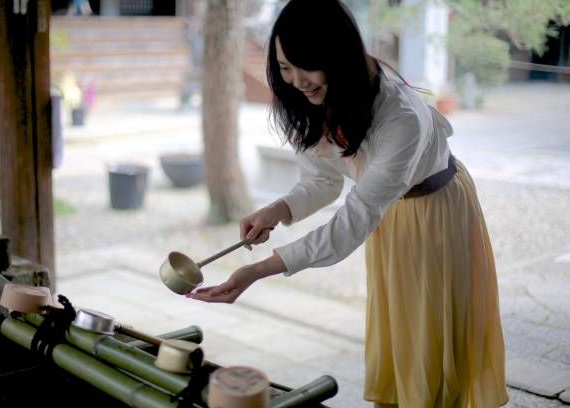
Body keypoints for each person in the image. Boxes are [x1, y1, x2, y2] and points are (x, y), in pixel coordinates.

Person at [187, 0, 509, 406]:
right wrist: (278, 210)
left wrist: (257, 270)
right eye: (285, 67)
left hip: (436, 214)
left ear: (340, 56)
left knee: (432, 339)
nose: (296, 81)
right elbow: (323, 180)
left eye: (307, 66)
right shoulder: (317, 97)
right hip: (390, 216)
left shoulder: (400, 117)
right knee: (400, 335)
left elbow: (352, 220)